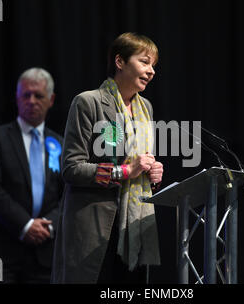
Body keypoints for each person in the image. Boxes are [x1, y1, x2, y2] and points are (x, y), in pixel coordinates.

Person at [51, 32, 163, 284]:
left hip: (134, 225)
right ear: (120, 61)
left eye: (153, 65)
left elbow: (140, 164)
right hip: (93, 227)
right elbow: (70, 168)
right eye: (144, 62)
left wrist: (151, 174)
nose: (151, 71)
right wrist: (123, 172)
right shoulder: (88, 102)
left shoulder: (146, 109)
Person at [0, 68, 64, 283]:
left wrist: (49, 226)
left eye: (38, 95)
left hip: (45, 255)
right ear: (17, 98)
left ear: (51, 100)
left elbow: (67, 195)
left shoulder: (59, 143)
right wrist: (25, 225)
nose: (31, 101)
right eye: (26, 95)